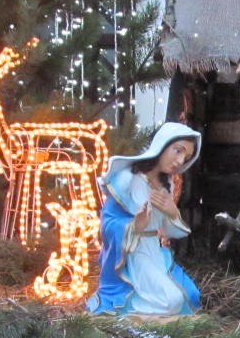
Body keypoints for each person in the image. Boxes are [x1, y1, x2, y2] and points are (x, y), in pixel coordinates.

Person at [87, 122, 203, 317]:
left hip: (156, 253)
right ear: (162, 144)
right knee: (172, 300)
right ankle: (130, 315)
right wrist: (134, 226)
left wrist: (172, 212)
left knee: (191, 296)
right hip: (134, 253)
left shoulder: (167, 186)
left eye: (186, 157)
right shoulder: (128, 178)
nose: (180, 161)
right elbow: (107, 223)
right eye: (178, 151)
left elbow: (172, 231)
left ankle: (146, 310)